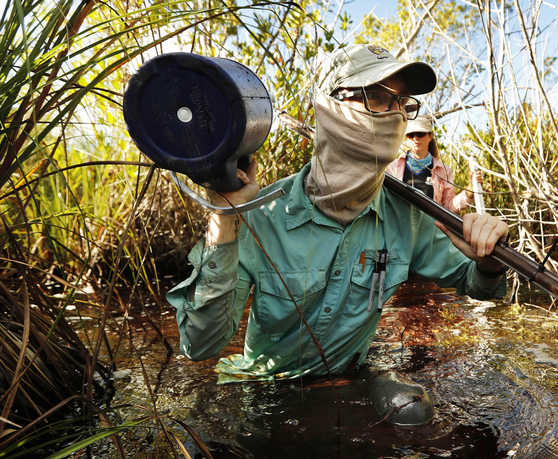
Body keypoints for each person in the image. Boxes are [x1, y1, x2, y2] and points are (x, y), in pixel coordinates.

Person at [166, 44, 508, 382]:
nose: (395, 115)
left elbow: (477, 286)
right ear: (329, 105)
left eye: (403, 103)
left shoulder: (407, 215)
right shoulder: (263, 213)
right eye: (376, 96)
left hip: (350, 383)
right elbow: (200, 346)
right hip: (269, 391)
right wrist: (223, 218)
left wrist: (489, 260)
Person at [386, 115, 482, 213]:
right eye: (411, 135)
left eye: (420, 134)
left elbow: (449, 207)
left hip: (430, 227)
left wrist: (469, 191)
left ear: (430, 136)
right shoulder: (391, 167)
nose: (415, 138)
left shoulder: (444, 171)